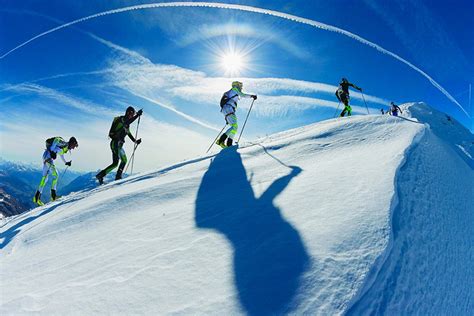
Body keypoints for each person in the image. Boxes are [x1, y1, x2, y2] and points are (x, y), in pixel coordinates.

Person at [96, 106, 142, 184]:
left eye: (133, 114)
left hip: (117, 145)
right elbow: (128, 122)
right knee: (119, 162)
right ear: (128, 113)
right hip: (116, 144)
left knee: (117, 162)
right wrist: (137, 116)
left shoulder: (126, 124)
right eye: (132, 114)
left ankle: (102, 175)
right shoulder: (122, 120)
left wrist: (135, 141)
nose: (132, 116)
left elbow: (128, 133)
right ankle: (117, 177)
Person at [33, 136, 78, 206]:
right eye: (74, 145)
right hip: (48, 158)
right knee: (55, 175)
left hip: (46, 157)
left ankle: (36, 197)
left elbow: (61, 155)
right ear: (71, 143)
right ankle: (53, 196)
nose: (73, 148)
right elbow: (57, 140)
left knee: (45, 179)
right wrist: (51, 151)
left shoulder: (65, 147)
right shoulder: (64, 143)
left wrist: (66, 162)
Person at [216, 81, 257, 148]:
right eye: (240, 85)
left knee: (235, 127)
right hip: (228, 108)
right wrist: (252, 96)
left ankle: (229, 144)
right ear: (236, 85)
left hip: (228, 109)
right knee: (234, 126)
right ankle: (221, 141)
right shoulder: (234, 89)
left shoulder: (231, 92)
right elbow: (242, 95)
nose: (241, 87)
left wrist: (227, 118)